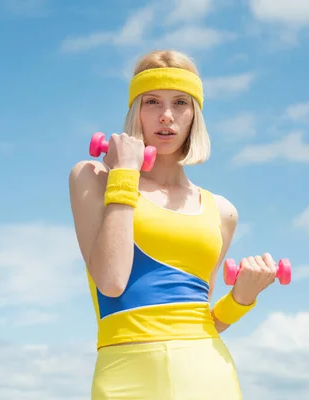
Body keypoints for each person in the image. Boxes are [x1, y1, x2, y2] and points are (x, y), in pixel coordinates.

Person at [69, 49, 279, 400]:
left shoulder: (221, 211)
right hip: (125, 372)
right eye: (152, 102)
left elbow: (206, 319)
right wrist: (124, 173)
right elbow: (111, 281)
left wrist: (243, 297)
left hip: (206, 373)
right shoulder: (94, 178)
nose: (166, 116)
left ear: (194, 116)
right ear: (136, 112)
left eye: (180, 102)